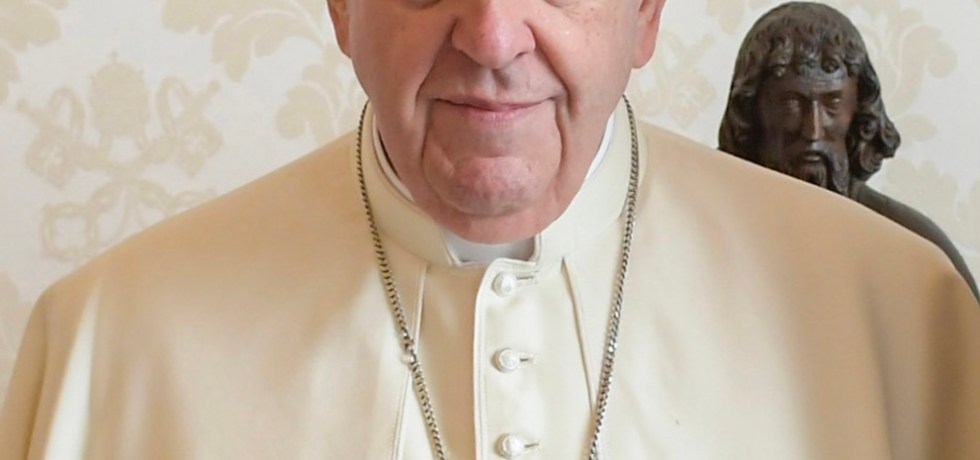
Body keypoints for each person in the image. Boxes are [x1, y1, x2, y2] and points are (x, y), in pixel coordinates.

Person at [1, 0, 978, 458]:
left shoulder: (900, 317)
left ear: (645, 14)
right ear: (342, 9)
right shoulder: (109, 340)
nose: (492, 34)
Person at [718, 1, 978, 301]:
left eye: (832, 103)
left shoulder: (914, 249)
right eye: (791, 103)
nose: (813, 131)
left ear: (859, 106)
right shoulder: (698, 228)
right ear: (752, 109)